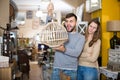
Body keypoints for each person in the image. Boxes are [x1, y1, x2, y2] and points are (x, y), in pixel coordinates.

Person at [51, 13, 85, 80]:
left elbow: (76, 53)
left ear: (76, 22)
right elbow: (52, 46)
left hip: (71, 71)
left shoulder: (81, 37)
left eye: (71, 21)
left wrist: (64, 49)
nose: (68, 24)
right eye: (67, 21)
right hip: (56, 69)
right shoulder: (60, 34)